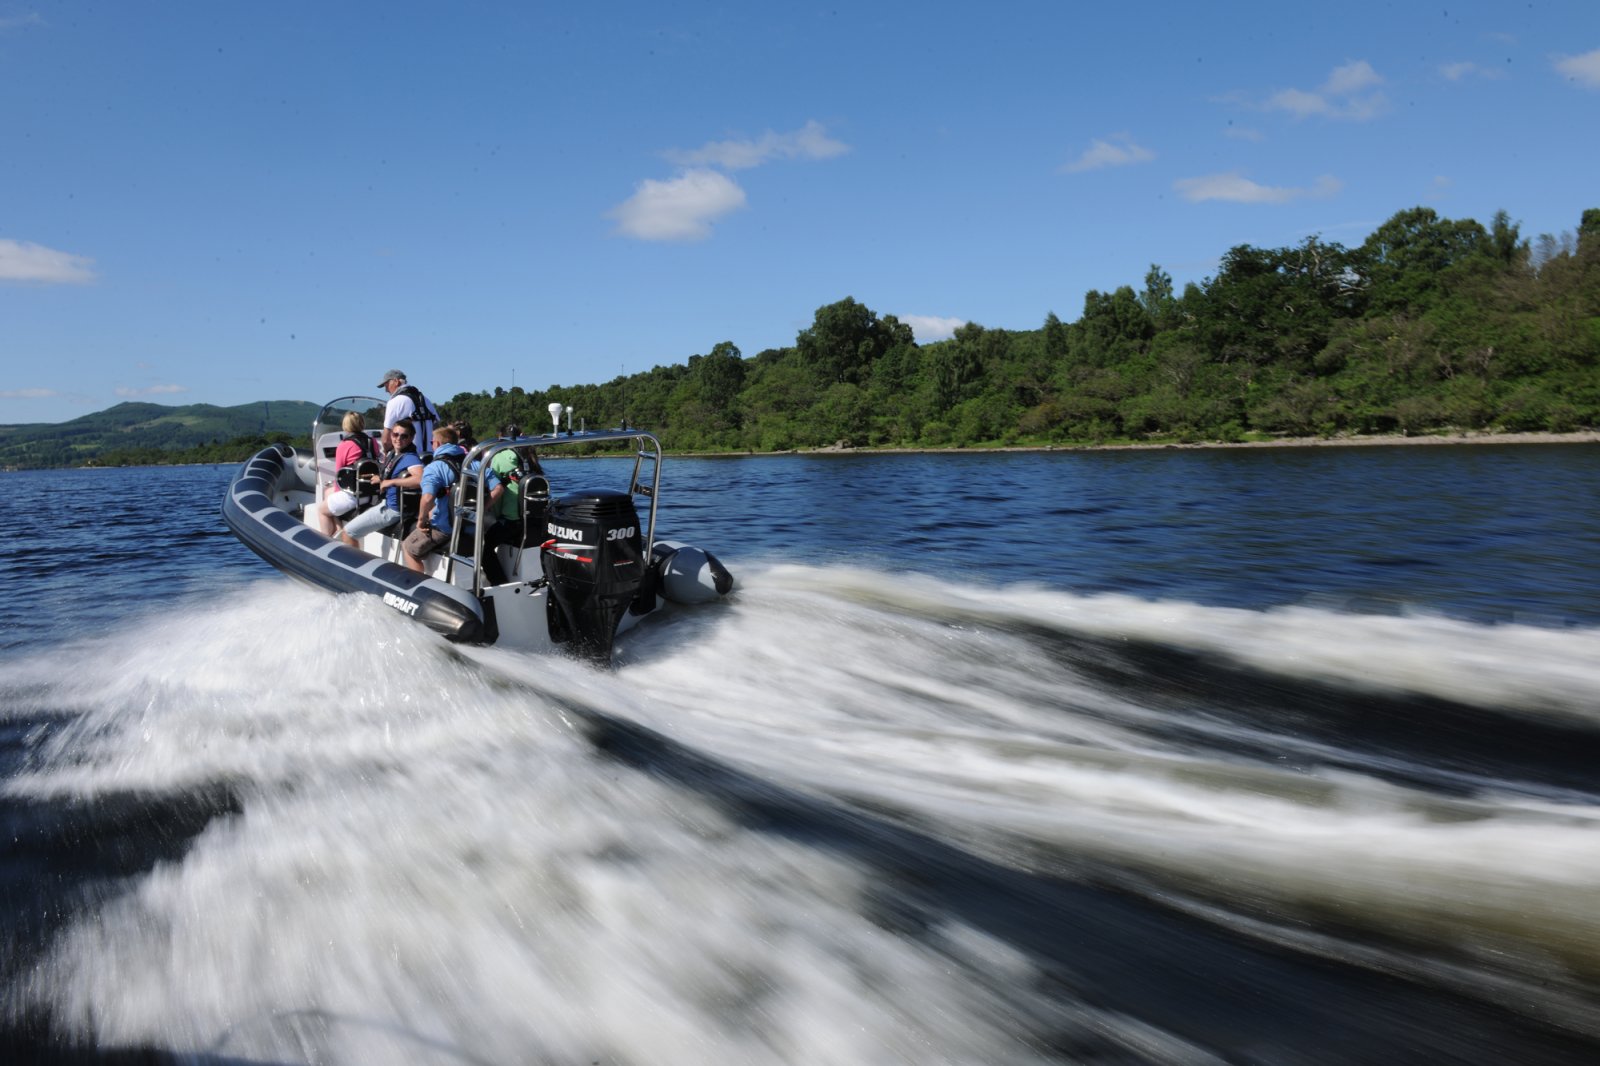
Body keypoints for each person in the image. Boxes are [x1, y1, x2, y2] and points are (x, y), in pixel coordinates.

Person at [344, 419, 424, 542]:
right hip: (385, 502)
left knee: (348, 532)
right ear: (391, 434)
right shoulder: (394, 453)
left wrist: (391, 482)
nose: (398, 439)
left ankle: (352, 561)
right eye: (395, 434)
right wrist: (381, 479)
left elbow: (420, 479)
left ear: (411, 438)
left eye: (404, 436)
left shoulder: (410, 458)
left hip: (392, 510)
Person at [401, 424, 467, 572]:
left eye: (432, 442)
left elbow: (427, 498)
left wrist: (421, 521)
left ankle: (420, 587)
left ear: (437, 443)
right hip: (469, 524)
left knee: (408, 548)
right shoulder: (473, 464)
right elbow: (497, 488)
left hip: (445, 527)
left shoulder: (434, 468)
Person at [316, 411, 378, 542]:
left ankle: (326, 541)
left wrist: (336, 491)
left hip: (353, 496)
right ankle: (338, 528)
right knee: (328, 492)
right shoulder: (372, 442)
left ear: (346, 425)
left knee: (322, 509)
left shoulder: (344, 445)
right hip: (371, 494)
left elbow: (339, 473)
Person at [376, 369, 438, 455]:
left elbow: (386, 440)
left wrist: (386, 453)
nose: (386, 390)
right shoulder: (426, 400)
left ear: (396, 381)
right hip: (430, 457)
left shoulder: (394, 402)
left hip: (409, 458)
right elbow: (437, 428)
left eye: (386, 385)